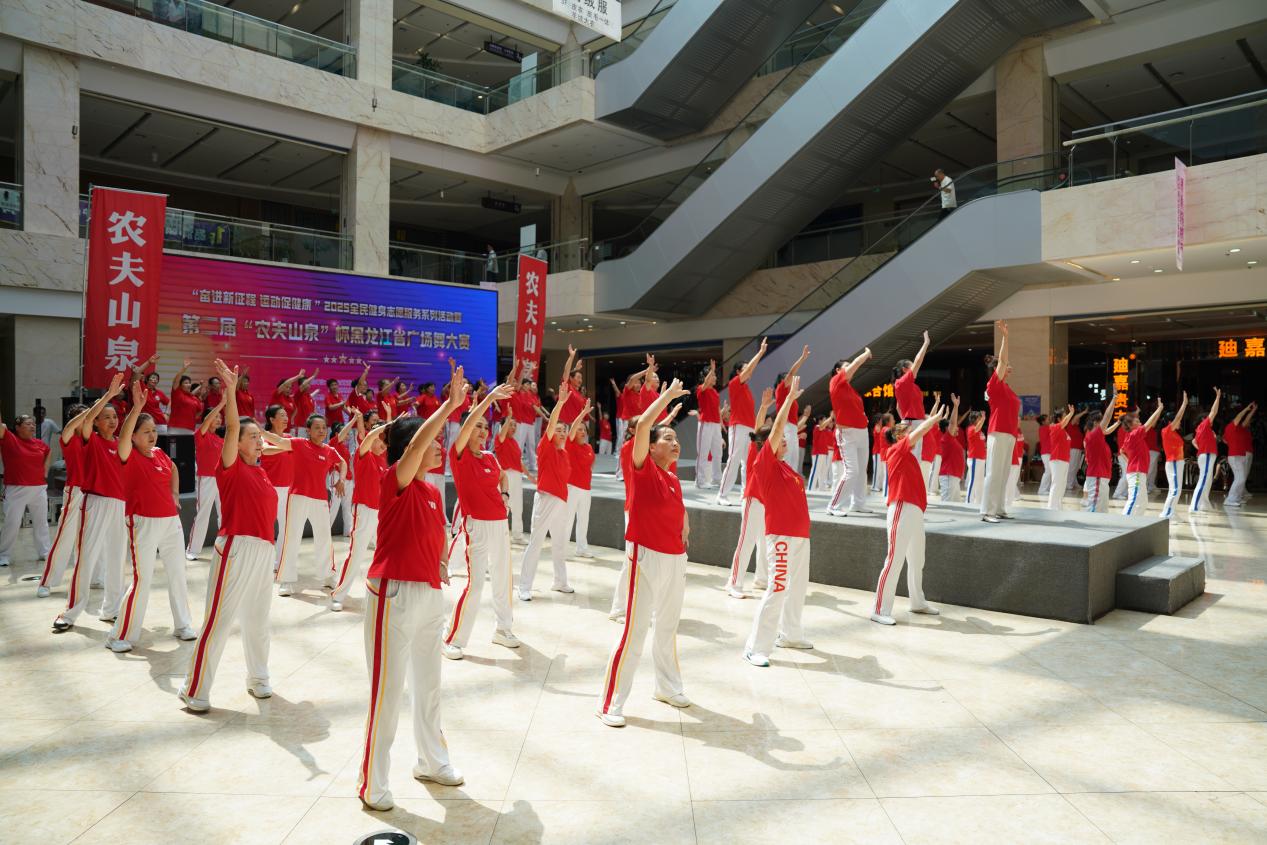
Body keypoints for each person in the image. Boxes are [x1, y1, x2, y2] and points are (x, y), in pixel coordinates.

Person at [356, 368, 467, 811]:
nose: (439, 447)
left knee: (429, 686)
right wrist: (450, 407)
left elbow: (434, 536)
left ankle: (432, 760)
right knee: (388, 693)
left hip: (428, 596)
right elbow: (420, 443)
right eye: (432, 440)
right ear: (410, 449)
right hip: (393, 595)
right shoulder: (394, 480)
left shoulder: (432, 492)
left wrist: (439, 562)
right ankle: (373, 782)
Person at [179, 359, 278, 713]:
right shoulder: (231, 467)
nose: (259, 442)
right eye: (253, 437)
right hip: (236, 547)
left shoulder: (261, 472)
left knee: (258, 620)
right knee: (220, 621)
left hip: (263, 551)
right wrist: (231, 392)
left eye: (259, 438)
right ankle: (195, 689)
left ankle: (259, 677)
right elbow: (233, 426)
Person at [598, 377, 692, 727]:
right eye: (667, 438)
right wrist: (665, 397)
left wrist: (685, 525)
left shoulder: (672, 478)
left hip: (675, 559)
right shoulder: (643, 469)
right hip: (647, 556)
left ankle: (667, 687)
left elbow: (677, 510)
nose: (675, 443)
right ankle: (611, 702)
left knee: (667, 627)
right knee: (635, 631)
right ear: (650, 448)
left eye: (676, 438)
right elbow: (642, 429)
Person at [105, 380, 196, 651]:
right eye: (146, 432)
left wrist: (175, 493)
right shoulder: (127, 454)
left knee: (178, 573)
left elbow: (174, 469)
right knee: (142, 580)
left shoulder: (159, 454)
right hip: (143, 522)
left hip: (170, 522)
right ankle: (120, 636)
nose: (152, 435)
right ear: (133, 436)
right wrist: (136, 408)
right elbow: (123, 437)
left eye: (154, 430)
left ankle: (183, 625)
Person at [442, 378, 519, 659]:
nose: (483, 431)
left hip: (500, 524)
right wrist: (489, 399)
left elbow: (503, 477)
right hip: (477, 526)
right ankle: (453, 637)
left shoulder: (489, 457)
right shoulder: (459, 456)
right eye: (478, 426)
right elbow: (467, 427)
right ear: (466, 429)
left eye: (486, 427)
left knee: (502, 579)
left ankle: (503, 629)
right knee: (475, 585)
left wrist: (505, 496)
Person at [743, 376, 813, 667]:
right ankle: (756, 647)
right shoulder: (765, 464)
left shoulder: (789, 470)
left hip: (800, 536)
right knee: (778, 588)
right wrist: (788, 401)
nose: (783, 438)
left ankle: (791, 634)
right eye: (778, 436)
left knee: (797, 588)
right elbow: (775, 430)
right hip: (781, 537)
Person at [53, 373, 127, 631]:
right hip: (95, 502)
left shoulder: (121, 444)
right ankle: (70, 613)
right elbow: (85, 422)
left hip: (120, 506)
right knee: (86, 558)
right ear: (95, 422)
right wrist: (108, 396)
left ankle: (112, 610)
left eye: (114, 416)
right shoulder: (90, 439)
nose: (112, 421)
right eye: (106, 417)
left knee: (117, 559)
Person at [871, 400, 947, 626]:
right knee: (894, 559)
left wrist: (931, 417)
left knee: (917, 559)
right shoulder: (896, 450)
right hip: (901, 508)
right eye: (906, 430)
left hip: (914, 511)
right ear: (898, 436)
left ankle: (917, 601)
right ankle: (879, 609)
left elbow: (920, 431)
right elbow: (921, 430)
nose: (910, 432)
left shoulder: (907, 455)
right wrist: (934, 419)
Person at [517, 379, 588, 601]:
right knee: (536, 542)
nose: (562, 433)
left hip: (561, 501)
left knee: (559, 543)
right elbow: (551, 425)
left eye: (563, 431)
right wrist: (561, 404)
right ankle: (524, 586)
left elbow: (571, 430)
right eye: (558, 430)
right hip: (546, 498)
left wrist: (581, 414)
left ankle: (560, 581)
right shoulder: (545, 447)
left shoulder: (564, 452)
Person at [273, 413, 347, 597]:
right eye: (317, 428)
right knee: (292, 538)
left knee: (324, 537)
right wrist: (260, 431)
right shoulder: (299, 444)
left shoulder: (329, 450)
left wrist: (341, 480)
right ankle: (286, 580)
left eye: (323, 428)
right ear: (308, 430)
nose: (321, 431)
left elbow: (343, 462)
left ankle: (328, 576)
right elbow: (279, 441)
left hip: (320, 499)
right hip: (298, 497)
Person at [330, 410, 388, 612]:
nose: (384, 445)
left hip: (381, 514)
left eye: (385, 442)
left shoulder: (383, 459)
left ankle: (380, 594)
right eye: (381, 440)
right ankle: (338, 595)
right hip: (364, 511)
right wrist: (380, 425)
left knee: (385, 555)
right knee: (356, 555)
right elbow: (369, 437)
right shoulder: (363, 455)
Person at [725, 389, 775, 598]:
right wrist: (763, 407)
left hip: (766, 502)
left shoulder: (773, 455)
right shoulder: (757, 448)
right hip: (753, 500)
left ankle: (762, 579)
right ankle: (733, 583)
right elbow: (757, 428)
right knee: (746, 541)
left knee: (764, 542)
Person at [37, 403, 90, 597]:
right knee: (65, 536)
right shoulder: (68, 436)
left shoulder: (92, 437)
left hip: (94, 492)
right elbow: (69, 427)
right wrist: (90, 411)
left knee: (92, 537)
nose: (87, 419)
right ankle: (47, 582)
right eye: (83, 416)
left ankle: (94, 577)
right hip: (75, 490)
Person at [0, 404, 53, 567]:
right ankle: (3, 555)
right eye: (28, 423)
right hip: (16, 489)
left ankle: (45, 552)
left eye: (33, 424)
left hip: (39, 489)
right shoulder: (9, 439)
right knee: (12, 523)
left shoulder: (40, 444)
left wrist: (45, 471)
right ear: (17, 427)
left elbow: (48, 452)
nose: (32, 426)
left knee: (41, 522)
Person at [824, 347, 873, 515]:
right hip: (848, 434)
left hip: (862, 432)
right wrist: (866, 354)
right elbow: (857, 363)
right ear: (838, 370)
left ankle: (858, 503)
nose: (851, 367)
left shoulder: (850, 389)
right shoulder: (835, 382)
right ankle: (833, 506)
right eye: (847, 365)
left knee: (861, 472)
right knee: (852, 471)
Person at [980, 321, 1019, 523]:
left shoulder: (1007, 388)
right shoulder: (993, 384)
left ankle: (999, 508)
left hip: (1009, 433)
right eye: (1006, 365)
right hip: (998, 432)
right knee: (994, 473)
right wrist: (1005, 337)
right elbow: (1002, 361)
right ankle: (987, 511)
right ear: (997, 370)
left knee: (1004, 473)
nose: (1009, 366)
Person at [185, 401, 226, 561]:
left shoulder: (220, 439)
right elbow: (206, 422)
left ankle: (224, 547)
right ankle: (192, 550)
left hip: (222, 480)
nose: (218, 419)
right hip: (206, 479)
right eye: (215, 417)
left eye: (220, 417)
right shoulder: (200, 434)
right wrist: (222, 403)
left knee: (224, 514)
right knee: (203, 513)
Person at [1120, 399, 1166, 517]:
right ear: (1131, 425)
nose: (1140, 421)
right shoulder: (1133, 435)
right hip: (1136, 473)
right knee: (1134, 499)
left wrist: (1130, 461)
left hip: (1138, 472)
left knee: (1143, 502)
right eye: (1137, 420)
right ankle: (1124, 522)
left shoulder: (1132, 436)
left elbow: (1122, 451)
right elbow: (1148, 424)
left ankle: (1135, 522)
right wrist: (1159, 409)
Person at [261, 405, 294, 560]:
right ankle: (265, 559)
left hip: (288, 488)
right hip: (269, 488)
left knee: (286, 526)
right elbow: (265, 450)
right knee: (266, 525)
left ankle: (280, 560)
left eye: (286, 415)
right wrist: (287, 447)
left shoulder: (289, 437)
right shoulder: (265, 437)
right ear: (272, 419)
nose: (286, 418)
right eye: (282, 415)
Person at [774, 346, 811, 474]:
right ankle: (783, 482)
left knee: (794, 461)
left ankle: (790, 483)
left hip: (791, 429)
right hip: (785, 427)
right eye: (788, 379)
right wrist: (802, 358)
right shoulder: (781, 389)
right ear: (782, 381)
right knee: (788, 459)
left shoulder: (790, 397)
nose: (791, 380)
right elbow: (791, 373)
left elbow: (793, 422)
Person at [1083, 391, 1120, 513]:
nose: (1104, 423)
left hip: (1102, 477)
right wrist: (1114, 398)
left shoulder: (1099, 436)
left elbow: (1107, 429)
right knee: (1094, 508)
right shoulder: (1092, 436)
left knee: (1102, 510)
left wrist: (1118, 423)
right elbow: (1107, 417)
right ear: (1095, 423)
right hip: (1097, 476)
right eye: (1101, 421)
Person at [495, 418, 530, 543]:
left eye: (515, 425)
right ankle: (499, 535)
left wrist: (530, 476)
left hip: (517, 476)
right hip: (506, 476)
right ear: (503, 426)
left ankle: (517, 535)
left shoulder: (514, 442)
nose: (514, 427)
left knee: (518, 507)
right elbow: (501, 434)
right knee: (504, 505)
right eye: (510, 425)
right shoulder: (500, 439)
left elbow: (519, 462)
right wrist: (508, 416)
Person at [1189, 388, 1222, 515]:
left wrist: (1202, 448)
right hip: (1207, 455)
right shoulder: (1204, 425)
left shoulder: (1200, 429)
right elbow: (1214, 411)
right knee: (1204, 480)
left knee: (1207, 480)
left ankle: (1204, 504)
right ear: (1204, 419)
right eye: (1208, 418)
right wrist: (1217, 397)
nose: (1211, 419)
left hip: (1206, 455)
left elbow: (1193, 442)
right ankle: (1194, 506)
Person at [1159, 392, 1190, 520]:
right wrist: (1184, 404)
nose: (1180, 422)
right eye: (1178, 421)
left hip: (1177, 462)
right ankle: (1166, 514)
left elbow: (1177, 419)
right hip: (1173, 462)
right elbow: (1178, 418)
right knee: (1175, 489)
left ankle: (1171, 511)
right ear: (1170, 422)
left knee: (1177, 489)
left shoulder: (1175, 433)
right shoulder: (1166, 431)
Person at [694, 360, 723, 488]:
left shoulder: (715, 392)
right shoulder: (701, 389)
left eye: (715, 375)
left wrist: (721, 423)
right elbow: (705, 383)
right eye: (713, 375)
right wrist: (712, 369)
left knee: (718, 453)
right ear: (707, 377)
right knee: (703, 452)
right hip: (705, 423)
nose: (715, 377)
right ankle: (700, 481)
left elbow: (717, 409)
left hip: (716, 425)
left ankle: (716, 479)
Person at [1224, 402, 1257, 507]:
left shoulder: (1239, 428)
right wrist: (1246, 408)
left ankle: (1237, 498)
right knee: (1240, 478)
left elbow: (1246, 419)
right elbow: (1239, 416)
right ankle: (1230, 499)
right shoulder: (1231, 427)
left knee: (1241, 478)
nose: (1242, 421)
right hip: (1235, 456)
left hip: (1239, 455)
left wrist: (1253, 410)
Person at [1045, 405, 1077, 510]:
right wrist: (1071, 413)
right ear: (1059, 419)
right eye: (1064, 415)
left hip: (1064, 460)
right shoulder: (1054, 427)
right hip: (1057, 460)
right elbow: (1065, 422)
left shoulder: (1063, 431)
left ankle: (1057, 506)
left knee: (1062, 484)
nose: (1066, 417)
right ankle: (1051, 507)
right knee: (1056, 483)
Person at [328, 421, 357, 535]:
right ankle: (325, 531)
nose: (348, 436)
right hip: (337, 476)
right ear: (337, 434)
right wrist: (354, 419)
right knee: (334, 505)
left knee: (347, 506)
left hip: (348, 479)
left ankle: (348, 531)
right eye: (346, 433)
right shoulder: (333, 443)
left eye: (349, 434)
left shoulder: (345, 448)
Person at [938, 395, 966, 503]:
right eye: (953, 427)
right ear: (947, 428)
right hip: (949, 476)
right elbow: (953, 423)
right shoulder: (946, 438)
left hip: (953, 477)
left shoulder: (952, 439)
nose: (957, 428)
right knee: (947, 506)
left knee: (954, 506)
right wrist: (955, 406)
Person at [963, 411, 987, 506]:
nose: (980, 419)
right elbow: (977, 428)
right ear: (974, 419)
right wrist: (983, 419)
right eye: (979, 418)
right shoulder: (971, 428)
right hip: (974, 458)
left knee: (980, 482)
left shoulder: (980, 431)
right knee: (973, 480)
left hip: (981, 459)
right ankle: (969, 501)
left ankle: (979, 502)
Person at [807, 416, 834, 493]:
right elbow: (822, 426)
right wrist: (831, 417)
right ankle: (810, 489)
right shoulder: (817, 427)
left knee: (823, 472)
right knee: (815, 471)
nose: (827, 422)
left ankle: (822, 489)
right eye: (825, 420)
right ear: (820, 421)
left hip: (824, 453)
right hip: (818, 453)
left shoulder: (825, 430)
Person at [870, 413, 893, 494]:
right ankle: (874, 486)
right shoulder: (877, 426)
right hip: (877, 451)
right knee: (877, 470)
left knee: (881, 471)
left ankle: (879, 486)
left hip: (880, 451)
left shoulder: (882, 428)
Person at [1066, 414, 1086, 493]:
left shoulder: (1077, 428)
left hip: (1078, 449)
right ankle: (1068, 484)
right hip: (1073, 449)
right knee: (1072, 466)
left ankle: (1074, 482)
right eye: (1077, 419)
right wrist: (1084, 412)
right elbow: (1075, 417)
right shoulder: (1070, 425)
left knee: (1076, 467)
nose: (1079, 420)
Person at [1035, 414, 1053, 497]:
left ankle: (1046, 489)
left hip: (1048, 452)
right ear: (1043, 422)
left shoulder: (1046, 427)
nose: (1049, 420)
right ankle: (1042, 490)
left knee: (1050, 471)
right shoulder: (1044, 428)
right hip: (1046, 453)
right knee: (1048, 471)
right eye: (1047, 419)